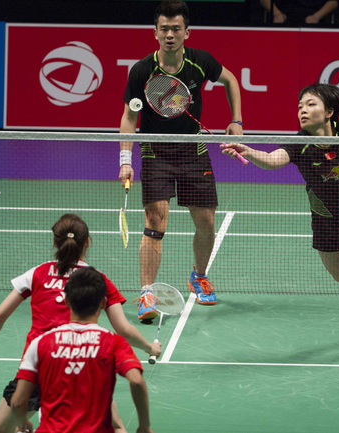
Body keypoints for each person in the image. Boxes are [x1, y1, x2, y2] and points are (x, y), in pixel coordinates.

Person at [221, 33, 339, 357]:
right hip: (326, 216)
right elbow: (273, 161)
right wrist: (247, 149)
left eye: (310, 104)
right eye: (300, 105)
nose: (302, 109)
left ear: (329, 112)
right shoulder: (300, 143)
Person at [0, 213, 162, 432]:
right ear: (88, 242)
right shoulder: (97, 279)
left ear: (54, 242)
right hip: (88, 364)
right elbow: (123, 329)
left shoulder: (37, 273)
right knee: (116, 427)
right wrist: (149, 347)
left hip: (43, 365)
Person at [119, 0, 244, 322]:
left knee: (206, 222)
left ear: (187, 32)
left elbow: (231, 80)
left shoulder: (200, 62)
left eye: (176, 29)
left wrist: (237, 120)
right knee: (155, 221)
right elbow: (129, 118)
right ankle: (147, 293)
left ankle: (198, 275)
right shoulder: (142, 71)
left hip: (193, 150)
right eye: (164, 29)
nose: (170, 35)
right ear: (155, 33)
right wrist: (125, 159)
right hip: (156, 151)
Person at [10, 267, 154, 433]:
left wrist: (22, 421)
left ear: (67, 301)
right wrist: (144, 426)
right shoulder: (114, 343)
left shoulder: (40, 343)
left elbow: (17, 402)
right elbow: (136, 381)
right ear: (103, 302)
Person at [260, 0, 338, 26]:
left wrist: (316, 16)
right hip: (282, 21)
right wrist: (276, 13)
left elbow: (333, 2)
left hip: (314, 23)